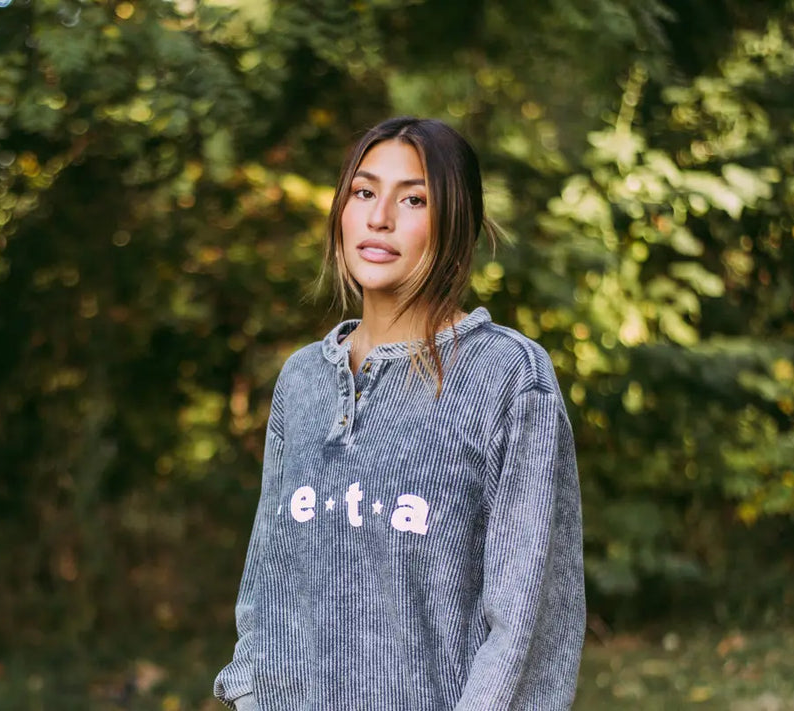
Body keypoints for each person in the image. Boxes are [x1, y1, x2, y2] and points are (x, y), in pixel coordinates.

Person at [213, 117, 586, 710]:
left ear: (456, 221)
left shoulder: (507, 377)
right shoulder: (302, 381)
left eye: (414, 199)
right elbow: (266, 587)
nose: (379, 217)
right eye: (364, 192)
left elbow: (527, 626)